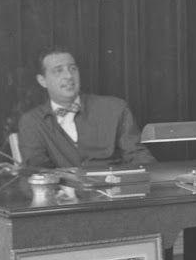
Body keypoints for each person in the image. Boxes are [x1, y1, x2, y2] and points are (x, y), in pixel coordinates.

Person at [18, 48, 155, 169]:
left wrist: (156, 180)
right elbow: (37, 169)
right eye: (58, 71)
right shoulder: (32, 122)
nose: (69, 76)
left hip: (115, 192)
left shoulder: (114, 108)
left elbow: (137, 155)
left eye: (72, 68)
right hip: (64, 195)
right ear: (42, 81)